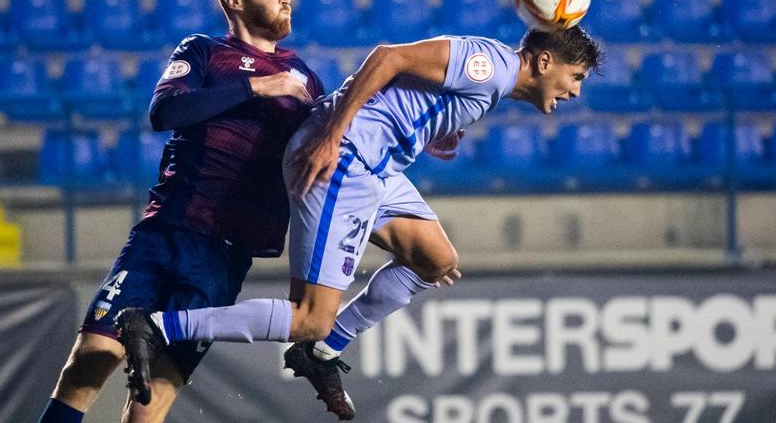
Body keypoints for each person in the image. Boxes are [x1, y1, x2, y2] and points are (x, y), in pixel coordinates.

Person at [118, 26, 604, 420]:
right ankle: (156, 325)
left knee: (434, 260)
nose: (576, 90)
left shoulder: (491, 78)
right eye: (575, 75)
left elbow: (407, 92)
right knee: (308, 316)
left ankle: (322, 353)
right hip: (344, 161)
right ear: (544, 62)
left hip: (377, 167)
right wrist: (333, 132)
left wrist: (431, 132)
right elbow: (388, 57)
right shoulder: (491, 68)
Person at [37, 0, 325, 423]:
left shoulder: (306, 80)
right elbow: (165, 112)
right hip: (164, 232)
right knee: (88, 364)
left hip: (225, 254)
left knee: (154, 396)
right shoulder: (204, 51)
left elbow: (337, 143)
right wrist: (258, 87)